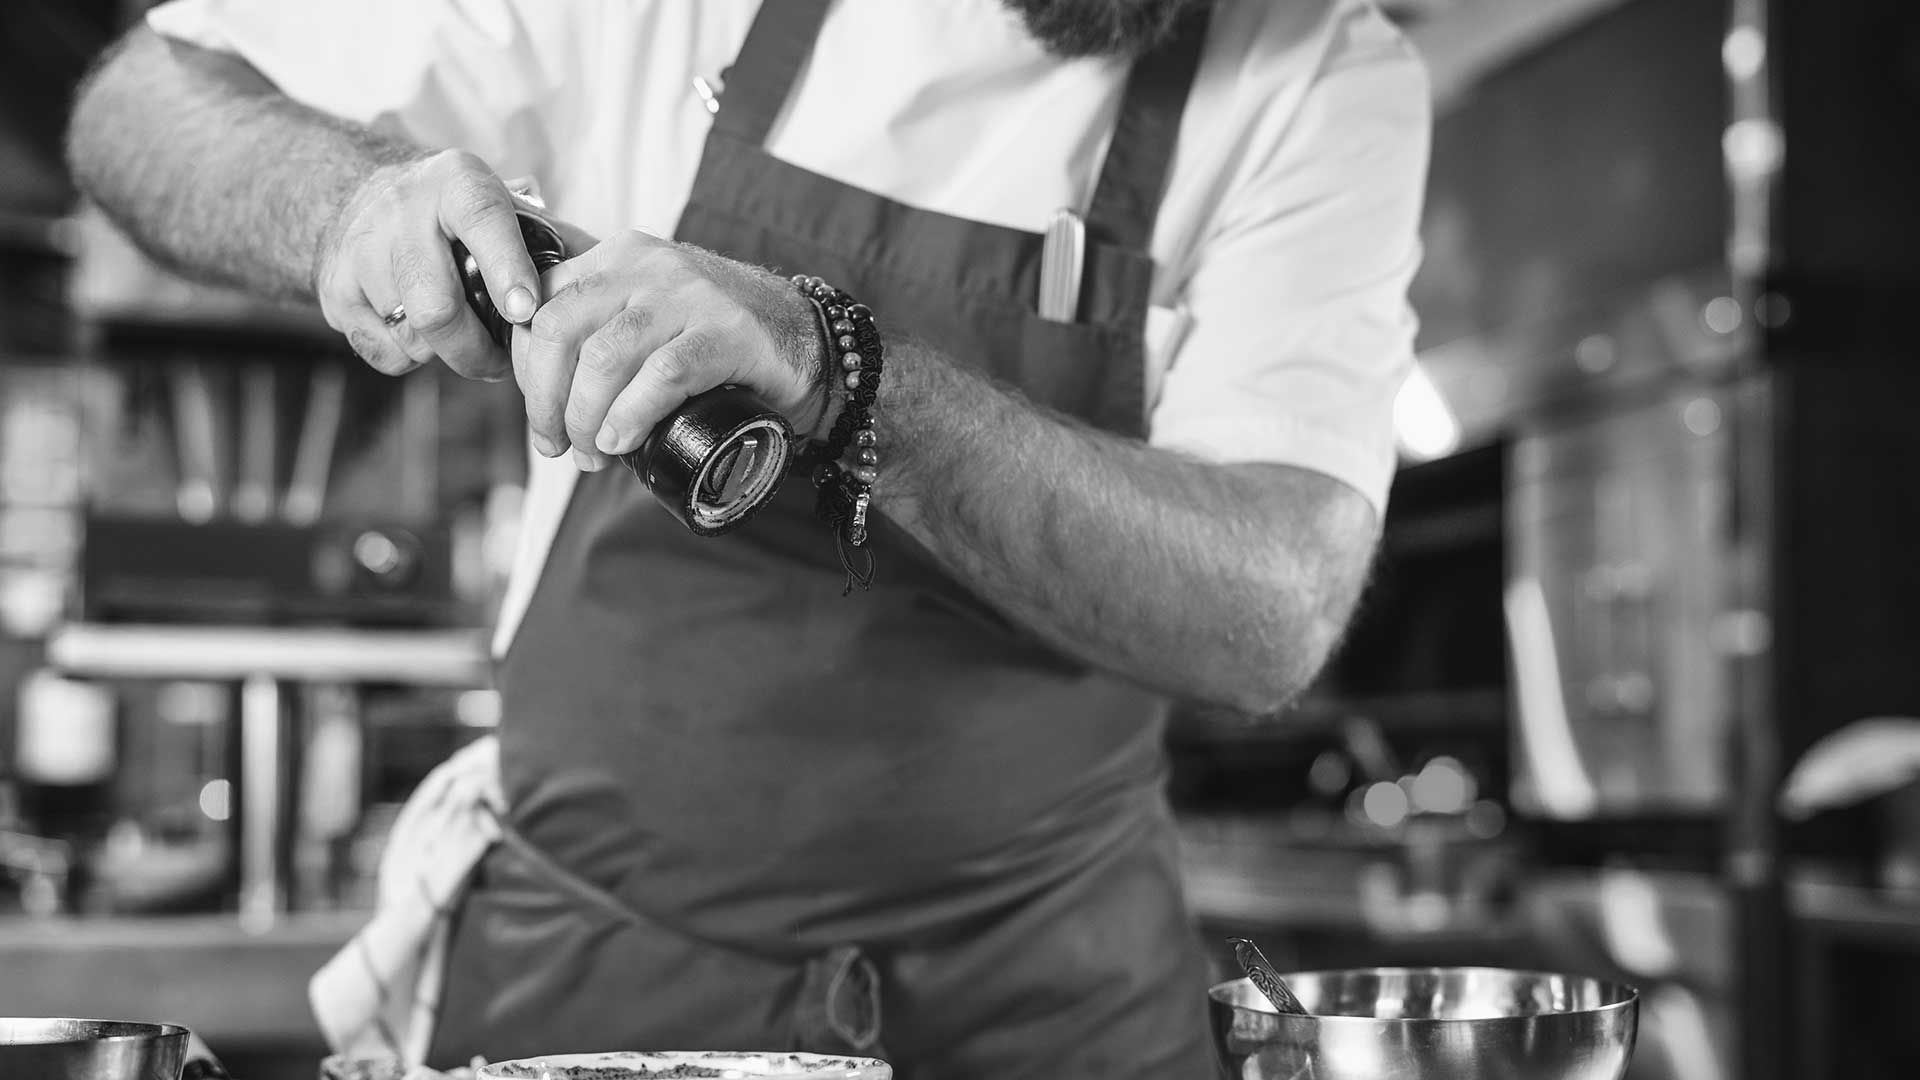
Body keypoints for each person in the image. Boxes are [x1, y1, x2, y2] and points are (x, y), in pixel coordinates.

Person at [66, 0, 1430, 1075]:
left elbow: (1274, 607)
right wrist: (356, 204)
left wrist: (837, 369)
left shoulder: (1319, 70)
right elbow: (144, 104)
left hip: (1057, 1012)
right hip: (598, 997)